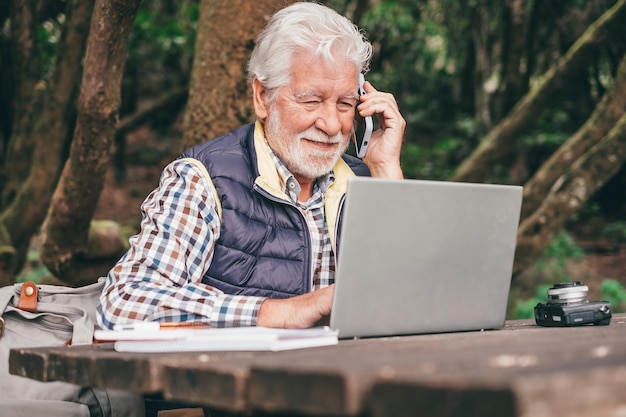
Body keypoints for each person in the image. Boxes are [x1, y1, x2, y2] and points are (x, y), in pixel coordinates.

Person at [96, 1, 405, 331]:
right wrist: (273, 313)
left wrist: (386, 171)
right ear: (262, 96)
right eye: (311, 100)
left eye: (345, 104)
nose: (331, 124)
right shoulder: (202, 180)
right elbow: (123, 304)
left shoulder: (364, 181)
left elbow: (414, 300)